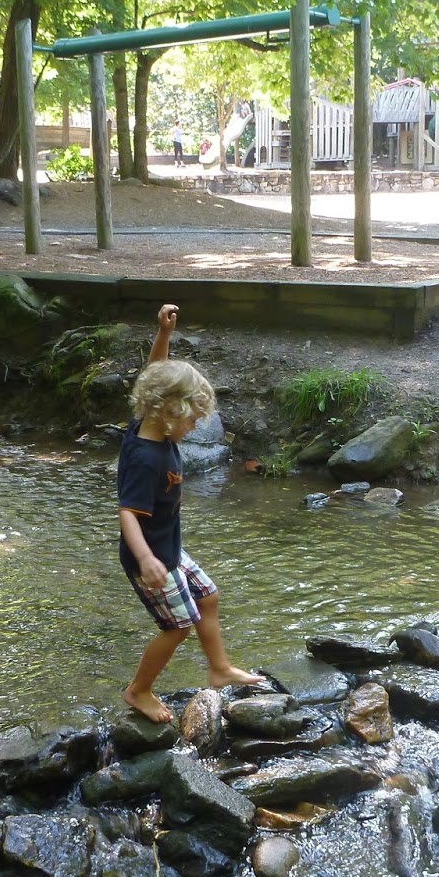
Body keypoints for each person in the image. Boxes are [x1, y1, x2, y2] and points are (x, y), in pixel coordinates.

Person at [118, 304, 263, 722]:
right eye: (192, 420)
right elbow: (127, 513)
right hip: (150, 556)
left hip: (168, 546)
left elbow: (154, 375)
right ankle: (138, 690)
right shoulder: (146, 459)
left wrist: (162, 335)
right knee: (177, 626)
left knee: (208, 596)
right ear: (168, 412)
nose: (195, 428)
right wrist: (146, 560)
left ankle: (219, 669)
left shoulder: (146, 422)